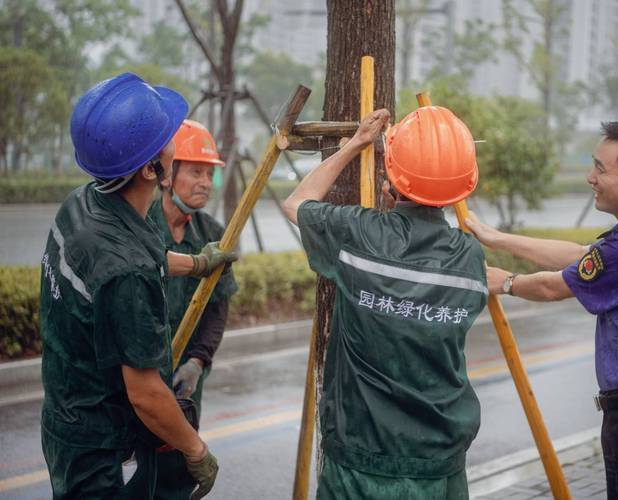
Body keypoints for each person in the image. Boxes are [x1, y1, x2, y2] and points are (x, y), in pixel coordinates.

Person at [468, 120, 618, 499]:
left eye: (600, 168)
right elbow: (583, 257)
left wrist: (505, 282)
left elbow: (553, 286)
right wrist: (496, 237)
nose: (590, 177)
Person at [283, 106, 503, 500]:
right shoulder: (469, 256)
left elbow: (297, 202)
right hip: (442, 458)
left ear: (389, 179)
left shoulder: (360, 235)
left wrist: (357, 142)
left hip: (360, 456)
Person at [40, 73, 236, 499]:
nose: (174, 144)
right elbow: (146, 394)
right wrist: (196, 450)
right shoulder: (124, 269)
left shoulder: (85, 203)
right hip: (94, 445)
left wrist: (198, 263)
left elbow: (139, 259)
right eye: (167, 143)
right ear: (152, 168)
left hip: (65, 413)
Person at [148, 119, 238, 499]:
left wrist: (198, 362)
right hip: (141, 374)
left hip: (185, 383)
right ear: (168, 175)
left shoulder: (214, 234)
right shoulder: (142, 227)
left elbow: (217, 309)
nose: (204, 182)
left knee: (177, 470)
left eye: (209, 174)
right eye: (196, 172)